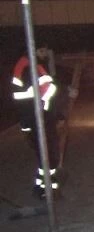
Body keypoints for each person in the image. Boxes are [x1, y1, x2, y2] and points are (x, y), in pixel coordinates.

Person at [10, 43, 60, 199]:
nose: (45, 53)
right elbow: (33, 94)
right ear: (33, 50)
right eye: (42, 50)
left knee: (46, 154)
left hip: (38, 117)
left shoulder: (28, 65)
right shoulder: (29, 68)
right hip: (38, 118)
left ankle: (44, 187)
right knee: (48, 155)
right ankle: (46, 189)